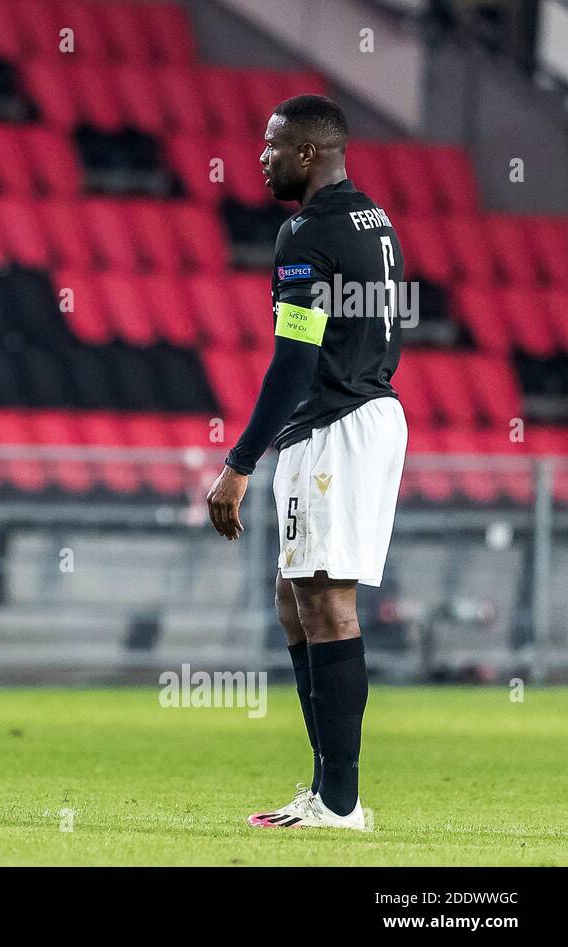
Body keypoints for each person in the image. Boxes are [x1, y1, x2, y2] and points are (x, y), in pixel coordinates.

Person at [205, 95, 406, 830]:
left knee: (325, 603)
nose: (261, 158)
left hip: (336, 422)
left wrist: (239, 461)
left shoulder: (306, 233)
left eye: (273, 145)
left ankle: (342, 803)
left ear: (310, 153)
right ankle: (325, 791)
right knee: (295, 603)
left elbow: (295, 359)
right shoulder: (372, 219)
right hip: (359, 413)